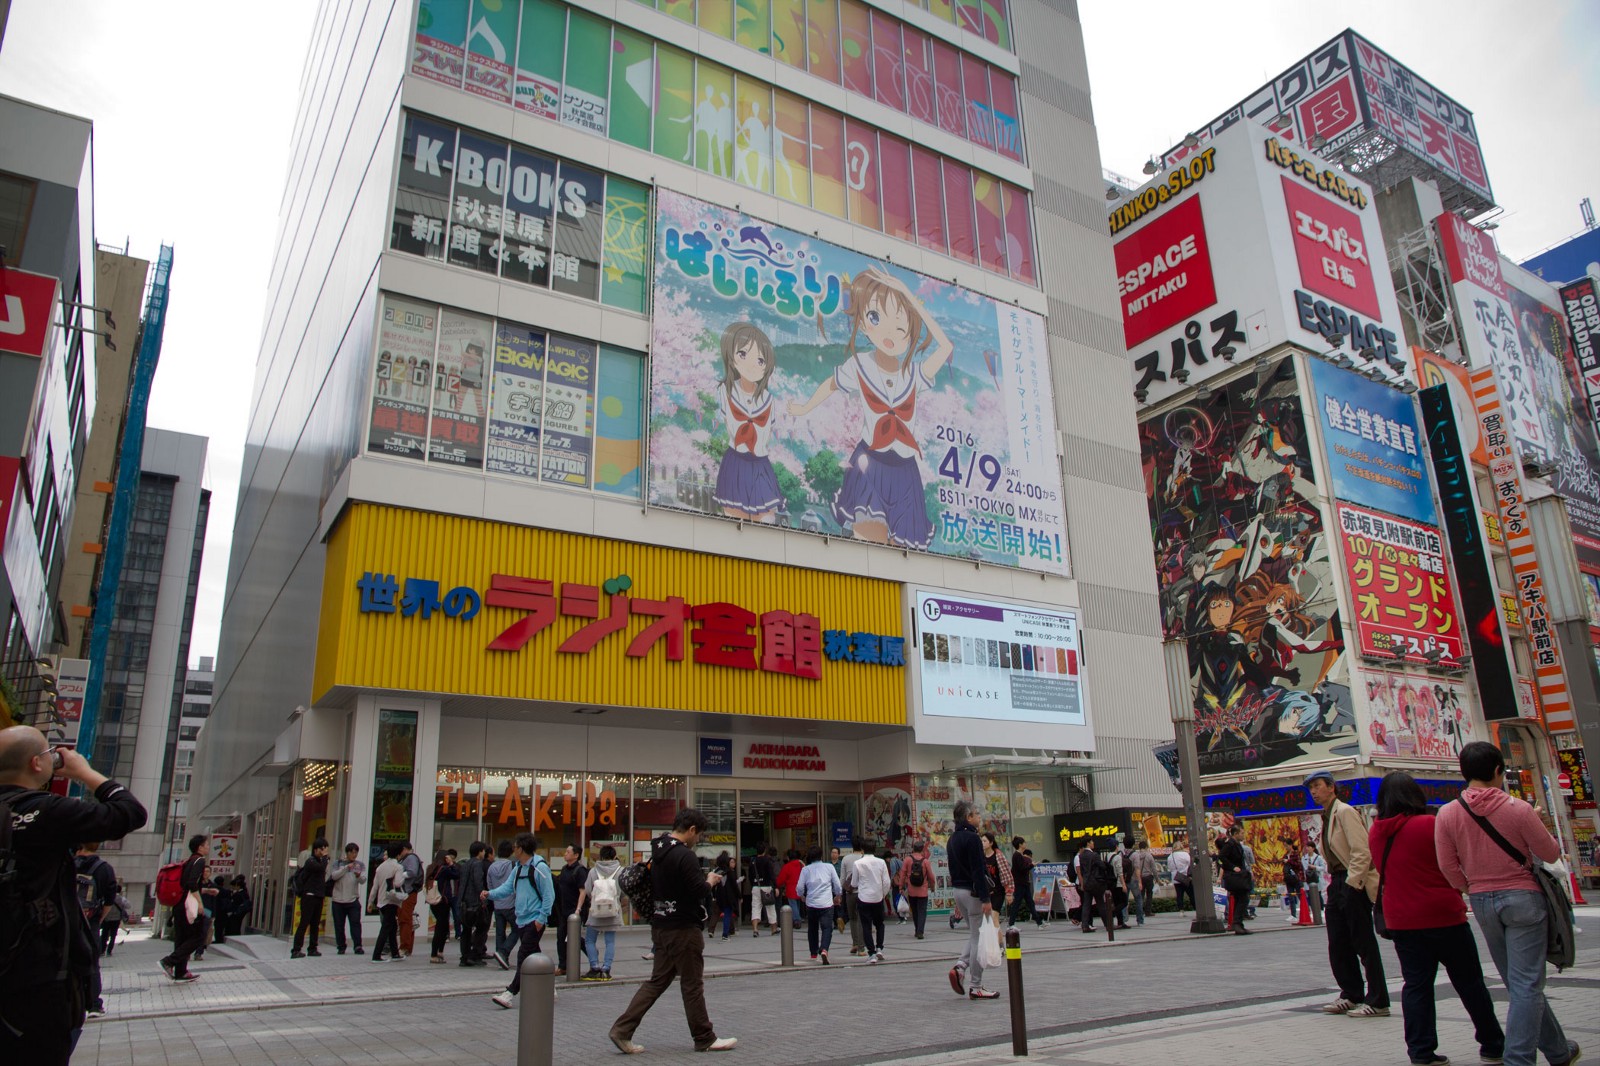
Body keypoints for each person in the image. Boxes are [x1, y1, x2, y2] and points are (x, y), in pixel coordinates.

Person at [0, 727, 146, 1061]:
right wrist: (85, 773)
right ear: (37, 763)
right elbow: (130, 812)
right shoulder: (47, 811)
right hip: (37, 976)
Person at [1435, 742, 1579, 1066]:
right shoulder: (1518, 809)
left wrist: (1469, 886)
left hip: (1483, 902)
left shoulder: (1447, 813)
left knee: (1519, 984)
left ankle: (1557, 1051)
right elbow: (1551, 853)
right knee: (1526, 983)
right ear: (1499, 771)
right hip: (1524, 898)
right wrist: (1536, 822)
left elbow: (1447, 865)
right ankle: (1518, 1059)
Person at [1371, 771, 1505, 1066]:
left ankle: (1421, 1051)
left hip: (1402, 919)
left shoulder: (1377, 832)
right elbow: (1451, 863)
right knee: (1469, 982)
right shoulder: (1431, 824)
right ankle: (1492, 1043)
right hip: (1442, 914)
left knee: (1416, 985)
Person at [609, 809, 737, 1053]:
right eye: (698, 835)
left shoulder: (658, 852)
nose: (697, 839)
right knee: (692, 984)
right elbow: (697, 890)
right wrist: (710, 881)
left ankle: (622, 1030)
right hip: (683, 928)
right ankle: (704, 1037)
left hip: (661, 926)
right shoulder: (683, 855)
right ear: (691, 830)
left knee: (657, 981)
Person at [1305, 769, 1389, 1017]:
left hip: (1352, 880)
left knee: (1363, 942)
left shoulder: (1344, 812)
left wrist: (1354, 884)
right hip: (1337, 881)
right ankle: (1351, 993)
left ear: (1331, 786)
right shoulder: (1326, 815)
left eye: (1317, 786)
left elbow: (1362, 850)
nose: (1314, 791)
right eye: (1311, 787)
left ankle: (1378, 999)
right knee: (1339, 942)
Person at [486, 832, 553, 1009]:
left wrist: (542, 918)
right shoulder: (518, 868)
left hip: (535, 920)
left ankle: (510, 993)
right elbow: (507, 888)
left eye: (515, 847)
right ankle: (549, 985)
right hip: (521, 919)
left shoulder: (539, 867)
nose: (513, 850)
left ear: (521, 849)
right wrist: (490, 894)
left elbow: (549, 895)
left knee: (523, 956)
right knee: (534, 954)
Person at [947, 799, 999, 1000]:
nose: (979, 817)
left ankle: (960, 967)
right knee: (979, 938)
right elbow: (978, 870)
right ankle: (975, 984)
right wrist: (986, 898)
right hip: (973, 892)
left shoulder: (952, 839)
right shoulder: (973, 838)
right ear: (968, 817)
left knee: (974, 934)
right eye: (977, 814)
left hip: (958, 891)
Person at [161, 834, 211, 982]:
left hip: (179, 905)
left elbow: (185, 884)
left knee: (182, 938)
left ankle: (180, 972)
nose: (208, 847)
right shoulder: (200, 861)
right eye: (206, 844)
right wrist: (200, 904)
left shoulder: (189, 861)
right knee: (198, 936)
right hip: (188, 907)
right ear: (200, 847)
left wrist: (207, 891)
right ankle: (168, 961)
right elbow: (191, 884)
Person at [578, 844, 623, 979]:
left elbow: (587, 890)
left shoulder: (593, 871)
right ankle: (606, 968)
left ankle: (594, 967)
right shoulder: (620, 871)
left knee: (590, 940)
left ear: (601, 856)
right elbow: (623, 889)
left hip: (596, 911)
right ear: (614, 856)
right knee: (610, 941)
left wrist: (597, 900)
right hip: (613, 910)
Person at [796, 845, 841, 963]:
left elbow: (800, 887)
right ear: (821, 855)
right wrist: (837, 895)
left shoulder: (805, 870)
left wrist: (802, 896)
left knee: (812, 928)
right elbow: (837, 884)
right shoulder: (829, 867)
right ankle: (824, 949)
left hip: (811, 903)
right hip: (826, 903)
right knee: (827, 928)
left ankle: (813, 953)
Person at [290, 837, 331, 958]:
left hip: (318, 896)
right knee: (304, 922)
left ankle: (313, 948)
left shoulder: (321, 861)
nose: (324, 852)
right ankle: (296, 949)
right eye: (322, 849)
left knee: (315, 923)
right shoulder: (311, 861)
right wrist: (324, 858)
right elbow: (320, 868)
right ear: (316, 849)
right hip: (309, 896)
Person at [367, 843, 407, 962]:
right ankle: (376, 955)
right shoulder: (398, 867)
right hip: (391, 900)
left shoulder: (380, 867)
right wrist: (405, 875)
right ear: (399, 853)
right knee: (386, 928)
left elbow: (375, 886)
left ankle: (395, 953)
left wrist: (370, 901)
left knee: (392, 927)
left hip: (381, 900)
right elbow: (399, 883)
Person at [854, 843, 893, 963]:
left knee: (866, 926)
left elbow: (854, 883)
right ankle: (879, 947)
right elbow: (886, 882)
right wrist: (882, 894)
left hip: (864, 897)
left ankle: (871, 953)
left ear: (862, 850)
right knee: (879, 924)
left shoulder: (858, 863)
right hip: (877, 897)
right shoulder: (881, 862)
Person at [456, 841, 491, 966]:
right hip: (475, 901)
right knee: (482, 927)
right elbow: (478, 883)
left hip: (464, 902)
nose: (484, 853)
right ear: (480, 851)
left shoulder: (465, 864)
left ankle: (464, 956)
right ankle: (475, 954)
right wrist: (483, 899)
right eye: (483, 851)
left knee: (466, 929)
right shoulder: (477, 864)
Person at [553, 844, 587, 973]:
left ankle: (592, 955)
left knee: (575, 937)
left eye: (568, 852)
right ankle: (563, 966)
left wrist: (578, 909)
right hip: (563, 910)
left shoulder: (580, 870)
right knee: (561, 937)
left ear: (576, 855)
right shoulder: (564, 869)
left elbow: (583, 891)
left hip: (574, 910)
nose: (565, 854)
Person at [328, 843, 365, 955]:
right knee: (339, 925)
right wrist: (345, 868)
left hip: (353, 899)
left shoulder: (359, 864)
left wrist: (358, 876)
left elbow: (363, 880)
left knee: (355, 923)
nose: (354, 855)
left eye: (356, 852)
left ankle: (358, 946)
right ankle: (341, 946)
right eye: (351, 852)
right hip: (338, 900)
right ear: (347, 852)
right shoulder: (337, 863)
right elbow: (334, 876)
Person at [486, 839, 517, 969]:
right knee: (518, 929)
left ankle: (501, 956)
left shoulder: (491, 866)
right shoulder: (513, 866)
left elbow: (490, 886)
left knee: (500, 932)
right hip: (510, 904)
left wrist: (494, 897)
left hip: (497, 905)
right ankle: (503, 952)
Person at [1218, 825, 1253, 935]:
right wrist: (1233, 867)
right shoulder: (1230, 844)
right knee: (1243, 899)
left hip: (1239, 875)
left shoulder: (1237, 845)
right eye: (1241, 833)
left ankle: (1238, 923)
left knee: (1240, 899)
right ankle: (1237, 923)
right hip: (1234, 876)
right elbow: (1221, 856)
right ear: (1235, 834)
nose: (1243, 835)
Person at [896, 838, 933, 939]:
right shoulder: (925, 861)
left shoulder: (908, 860)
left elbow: (902, 874)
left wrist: (901, 887)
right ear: (922, 850)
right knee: (922, 911)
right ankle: (920, 931)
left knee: (915, 911)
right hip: (923, 891)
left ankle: (917, 929)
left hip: (911, 890)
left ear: (913, 849)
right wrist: (933, 887)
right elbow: (931, 877)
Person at [1076, 838, 1115, 934]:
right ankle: (1108, 924)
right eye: (1092, 842)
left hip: (1086, 883)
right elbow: (1102, 866)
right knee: (1100, 903)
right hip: (1096, 882)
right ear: (1088, 843)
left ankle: (1085, 925)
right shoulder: (1094, 855)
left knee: (1086, 904)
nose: (1093, 843)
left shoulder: (1081, 856)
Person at [424, 849, 454, 963]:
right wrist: (451, 864)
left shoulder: (430, 868)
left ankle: (439, 952)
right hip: (442, 901)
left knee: (442, 926)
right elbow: (456, 874)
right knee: (441, 928)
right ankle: (435, 954)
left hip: (433, 901)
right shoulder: (444, 869)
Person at [980, 832, 1015, 929]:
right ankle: (997, 942)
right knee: (988, 918)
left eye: (984, 841)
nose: (982, 843)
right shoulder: (981, 856)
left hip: (997, 891)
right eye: (981, 841)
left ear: (991, 843)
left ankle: (998, 943)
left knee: (994, 916)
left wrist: (1009, 893)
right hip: (986, 892)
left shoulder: (998, 855)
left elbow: (1006, 875)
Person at [396, 841, 423, 959]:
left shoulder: (410, 858)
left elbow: (412, 872)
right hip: (407, 893)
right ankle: (407, 947)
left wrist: (398, 874)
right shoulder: (409, 858)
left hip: (408, 893)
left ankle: (404, 947)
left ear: (404, 849)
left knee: (405, 920)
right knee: (406, 920)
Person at [841, 838, 868, 954]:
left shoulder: (845, 859)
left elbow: (842, 879)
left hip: (850, 893)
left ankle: (855, 943)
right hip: (862, 892)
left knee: (852, 918)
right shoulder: (865, 859)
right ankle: (861, 948)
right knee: (862, 919)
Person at [749, 845, 779, 935]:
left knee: (755, 907)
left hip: (755, 886)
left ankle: (755, 929)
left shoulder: (752, 861)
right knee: (770, 908)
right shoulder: (767, 861)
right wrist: (776, 886)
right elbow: (771, 875)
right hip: (766, 887)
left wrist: (753, 885)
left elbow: (750, 876)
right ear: (764, 851)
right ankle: (773, 929)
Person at [709, 851, 738, 940]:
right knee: (727, 914)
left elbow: (713, 885)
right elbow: (734, 885)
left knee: (716, 913)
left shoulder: (716, 871)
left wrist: (713, 896)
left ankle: (711, 930)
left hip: (718, 895)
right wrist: (739, 896)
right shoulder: (729, 872)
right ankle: (725, 934)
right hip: (728, 896)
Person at [777, 847, 803, 928]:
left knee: (793, 904)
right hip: (800, 888)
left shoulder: (787, 866)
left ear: (789, 857)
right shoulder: (801, 865)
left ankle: (796, 920)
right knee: (797, 905)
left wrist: (777, 885)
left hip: (791, 888)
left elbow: (781, 879)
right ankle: (796, 919)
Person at [1304, 846, 1327, 926]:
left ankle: (1321, 910)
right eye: (1307, 847)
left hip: (1317, 878)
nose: (1308, 849)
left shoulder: (1318, 857)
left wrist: (1315, 867)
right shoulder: (1304, 857)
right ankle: (1312, 910)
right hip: (1308, 878)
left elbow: (1323, 868)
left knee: (1318, 894)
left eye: (1309, 847)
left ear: (1313, 848)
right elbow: (1304, 868)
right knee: (1309, 895)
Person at [1170, 840, 1195, 912]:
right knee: (1191, 893)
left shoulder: (1170, 856)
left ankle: (1181, 909)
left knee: (1179, 895)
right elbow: (1191, 864)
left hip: (1176, 878)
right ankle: (1195, 907)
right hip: (1185, 877)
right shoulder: (1185, 854)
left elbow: (1170, 867)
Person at [1284, 842, 1304, 922]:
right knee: (1291, 897)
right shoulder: (1286, 855)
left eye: (1286, 846)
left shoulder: (1295, 854)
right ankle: (1293, 914)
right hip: (1288, 878)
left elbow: (1298, 865)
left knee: (1300, 895)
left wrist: (1288, 861)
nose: (1285, 847)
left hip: (1296, 877)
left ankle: (1305, 911)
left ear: (1290, 845)